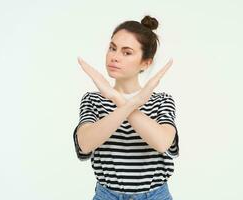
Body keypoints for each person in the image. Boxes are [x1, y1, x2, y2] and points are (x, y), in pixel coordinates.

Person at [73, 15, 179, 200]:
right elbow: (85, 143)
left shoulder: (162, 101)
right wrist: (123, 100)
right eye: (112, 48)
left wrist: (120, 99)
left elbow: (162, 143)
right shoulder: (93, 100)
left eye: (126, 52)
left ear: (146, 63)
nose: (114, 57)